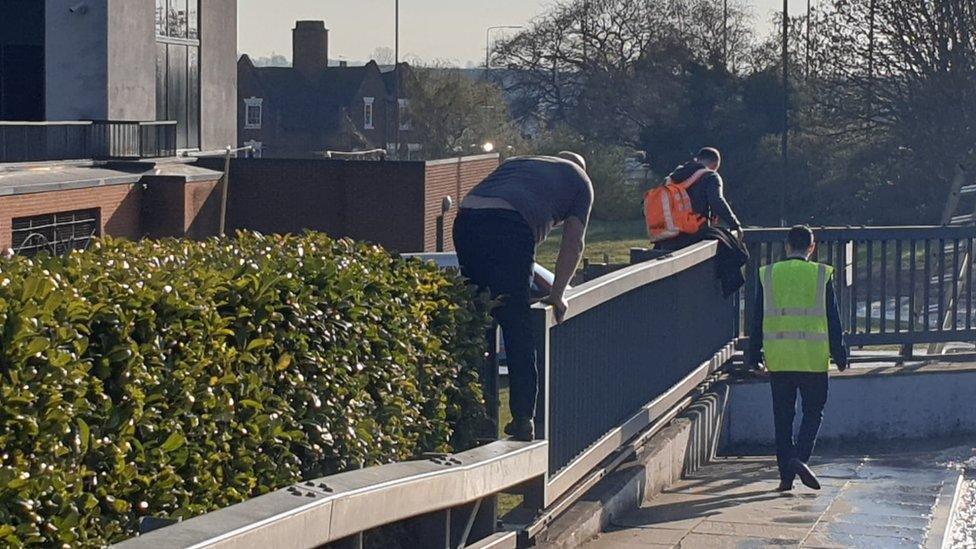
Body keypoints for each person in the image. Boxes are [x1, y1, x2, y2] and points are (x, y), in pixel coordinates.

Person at [453, 152, 593, 441]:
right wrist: (557, 294)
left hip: (467, 217)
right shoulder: (581, 181)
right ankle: (522, 418)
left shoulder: (521, 162)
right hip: (508, 222)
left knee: (478, 314)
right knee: (517, 321)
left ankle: (468, 414)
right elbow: (574, 243)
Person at [749, 225, 849, 492]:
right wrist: (840, 354)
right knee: (813, 412)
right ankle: (799, 459)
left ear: (787, 246)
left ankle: (785, 477)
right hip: (813, 359)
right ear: (812, 248)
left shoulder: (769, 274)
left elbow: (757, 317)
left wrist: (753, 355)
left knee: (782, 418)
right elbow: (833, 318)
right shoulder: (820, 274)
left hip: (779, 358)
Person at [656, 147, 742, 250]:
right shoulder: (710, 176)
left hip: (668, 237)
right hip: (695, 236)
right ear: (715, 165)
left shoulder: (672, 177)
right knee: (734, 253)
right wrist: (735, 225)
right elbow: (716, 201)